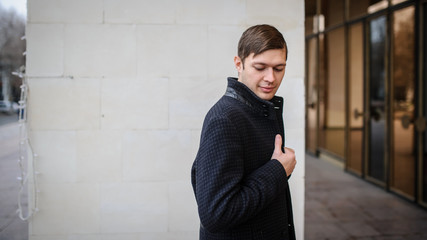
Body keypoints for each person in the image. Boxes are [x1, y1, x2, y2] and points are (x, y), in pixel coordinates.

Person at [191, 24, 297, 240]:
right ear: (238, 64)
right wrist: (278, 170)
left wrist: (279, 169)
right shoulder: (225, 119)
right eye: (260, 67)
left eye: (279, 68)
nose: (271, 78)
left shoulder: (262, 108)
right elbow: (216, 214)